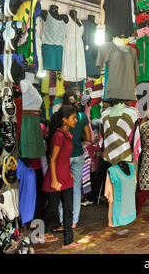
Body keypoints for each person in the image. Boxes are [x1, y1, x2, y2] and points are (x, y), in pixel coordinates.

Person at [42, 105, 85, 250]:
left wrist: (69, 172)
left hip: (66, 177)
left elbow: (64, 158)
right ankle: (42, 232)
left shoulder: (68, 135)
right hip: (55, 180)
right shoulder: (59, 136)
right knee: (53, 210)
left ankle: (69, 241)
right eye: (73, 118)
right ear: (65, 120)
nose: (76, 120)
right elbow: (53, 159)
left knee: (68, 210)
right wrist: (54, 180)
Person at [56, 91, 92, 230]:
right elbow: (89, 138)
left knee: (62, 188)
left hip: (64, 156)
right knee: (76, 189)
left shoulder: (60, 116)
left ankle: (61, 219)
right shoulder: (82, 116)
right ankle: (74, 221)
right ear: (77, 102)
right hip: (77, 155)